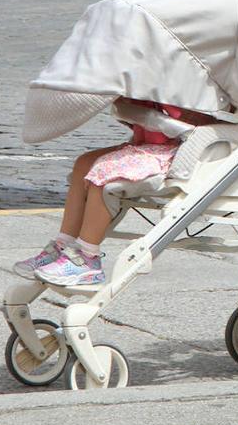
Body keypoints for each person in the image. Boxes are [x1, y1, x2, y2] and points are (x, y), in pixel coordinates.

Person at [13, 99, 208, 286]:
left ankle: (88, 258)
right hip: (151, 144)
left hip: (179, 150)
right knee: (83, 164)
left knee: (104, 171)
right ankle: (64, 243)